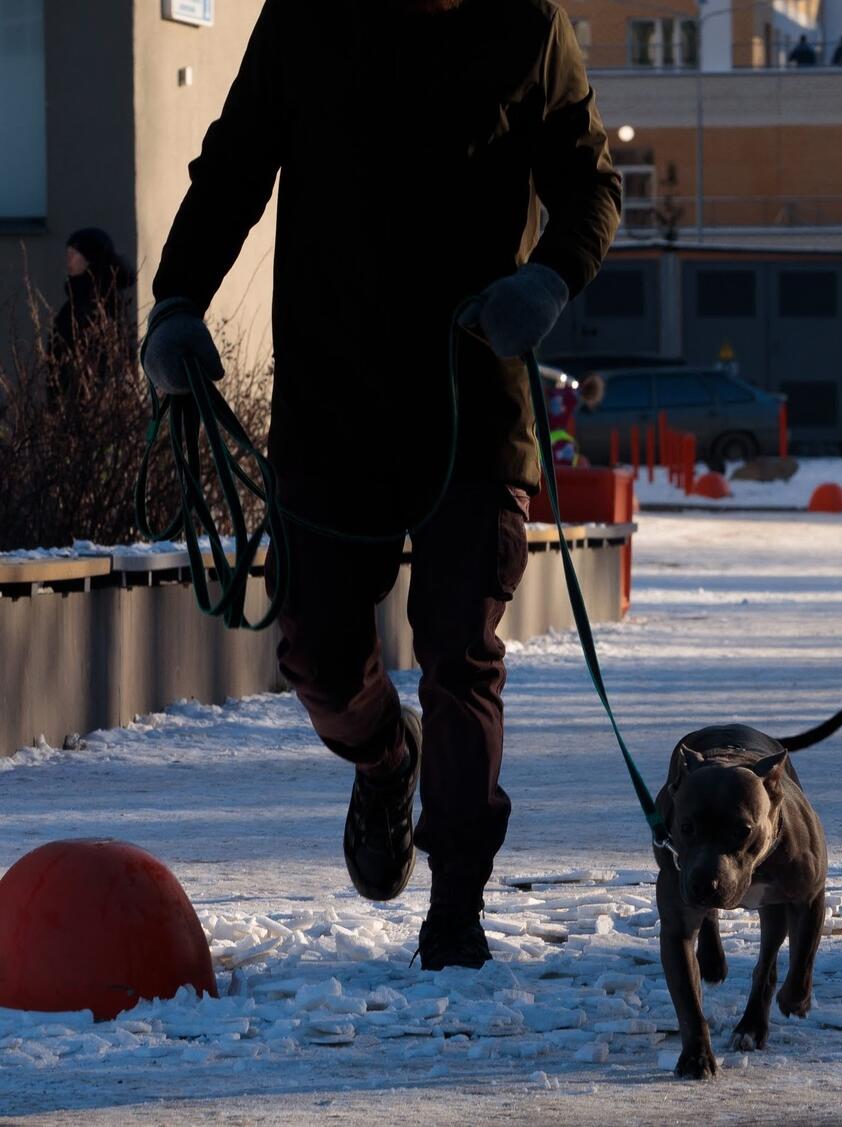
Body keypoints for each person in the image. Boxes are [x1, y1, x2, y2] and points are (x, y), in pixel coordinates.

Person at [139, 0, 621, 971]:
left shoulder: (527, 26)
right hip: (331, 404)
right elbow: (233, 165)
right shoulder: (308, 21)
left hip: (472, 403)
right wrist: (177, 299)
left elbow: (590, 186)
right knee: (316, 650)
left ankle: (456, 901)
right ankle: (381, 758)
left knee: (460, 652)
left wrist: (550, 279)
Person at [49, 227, 136, 394]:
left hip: (93, 396)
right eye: (68, 254)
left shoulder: (103, 304)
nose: (69, 260)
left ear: (91, 259)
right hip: (73, 395)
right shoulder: (77, 301)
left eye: (74, 254)